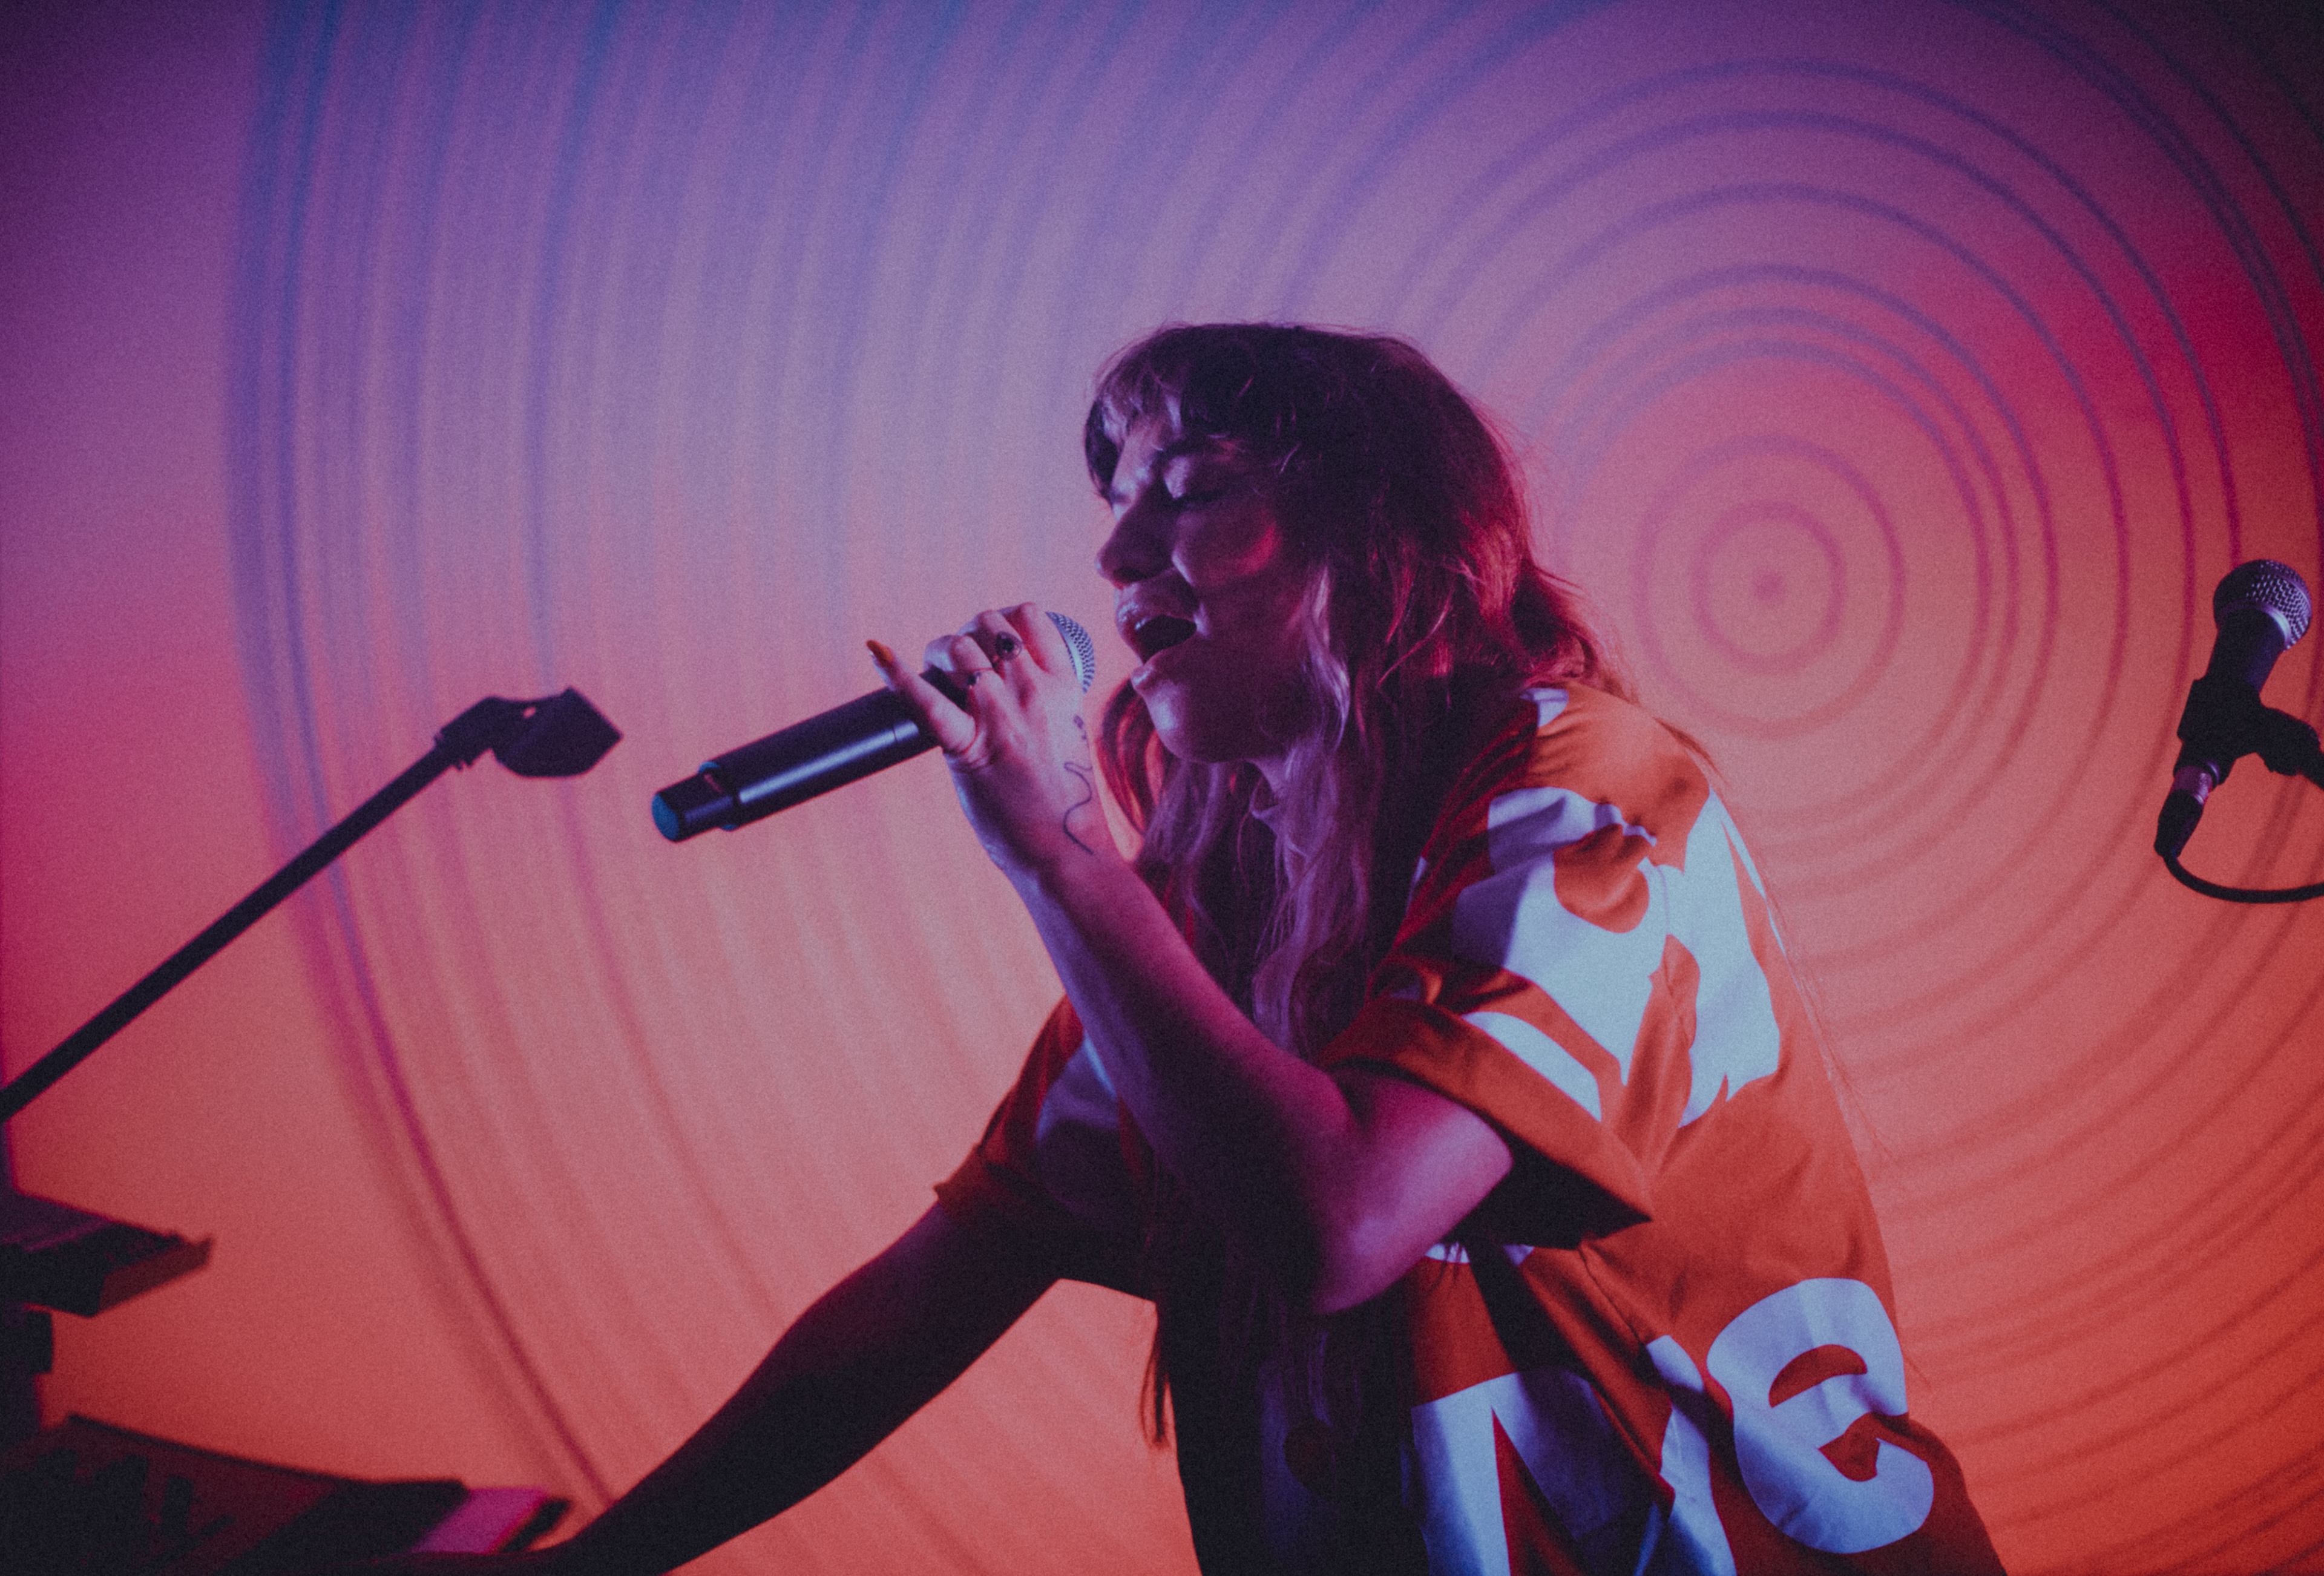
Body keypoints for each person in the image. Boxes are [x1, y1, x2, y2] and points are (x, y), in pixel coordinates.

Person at [405, 325, 2004, 1574]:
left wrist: (1057, 849)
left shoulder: (1592, 791)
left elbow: (1343, 1216)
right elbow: (915, 1306)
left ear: (1382, 532)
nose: (1115, 561)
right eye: (1116, 509)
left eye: (1190, 491)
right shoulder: (1200, 936)